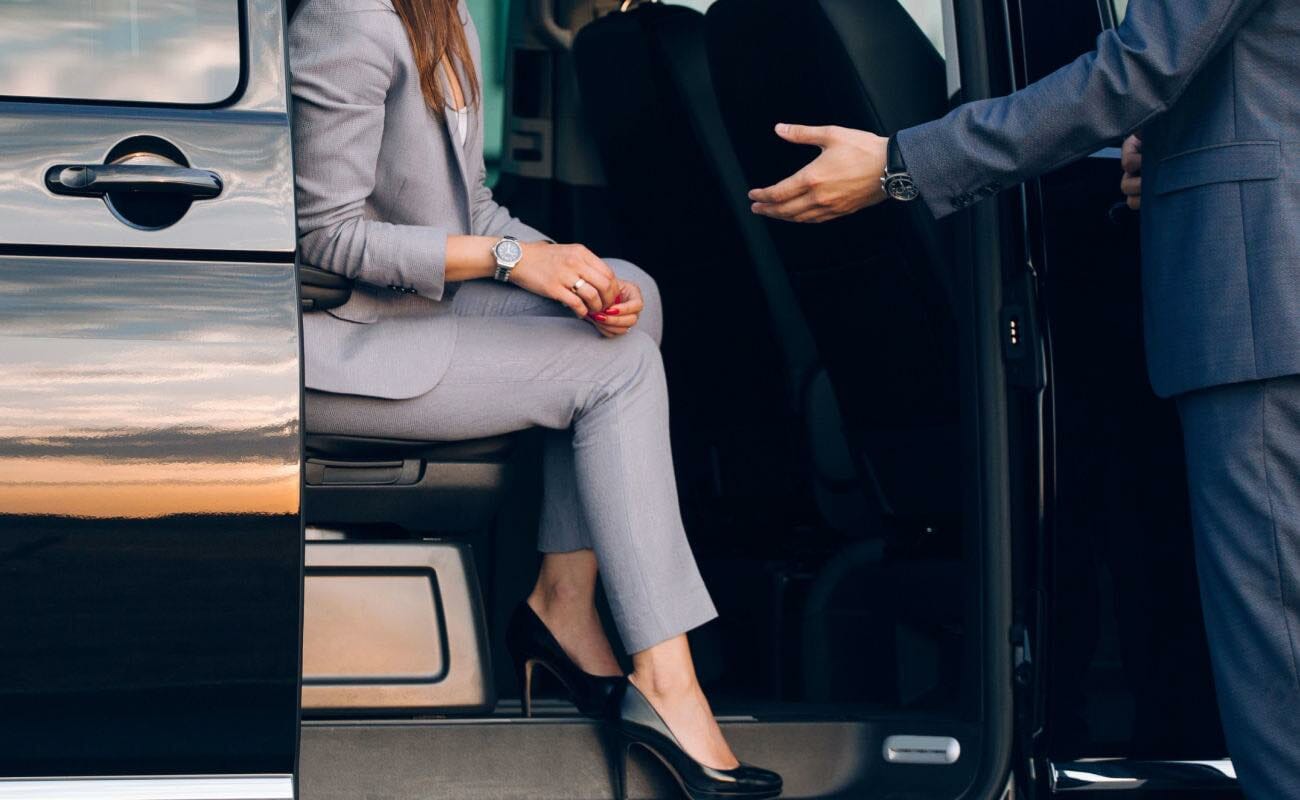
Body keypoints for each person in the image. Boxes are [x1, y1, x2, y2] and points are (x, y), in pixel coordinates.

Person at [749, 0, 1298, 796]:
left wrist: (903, 164)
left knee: (1281, 673)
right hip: (1258, 293)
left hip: (1261, 306)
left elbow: (1137, 68)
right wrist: (1176, 149)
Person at [287, 1, 781, 797]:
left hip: (412, 310)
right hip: (346, 346)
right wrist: (513, 260)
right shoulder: (347, 19)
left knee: (635, 301)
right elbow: (325, 237)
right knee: (615, 371)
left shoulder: (442, 15)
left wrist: (575, 271)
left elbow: (471, 212)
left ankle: (563, 600)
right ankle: (666, 676)